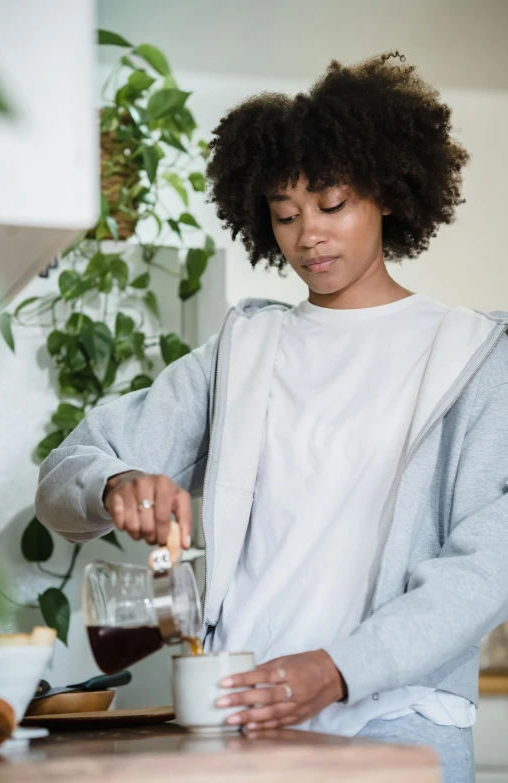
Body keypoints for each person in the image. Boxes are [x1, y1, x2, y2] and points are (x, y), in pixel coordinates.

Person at [35, 51, 508, 783]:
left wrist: (340, 668)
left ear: (387, 191)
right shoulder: (244, 350)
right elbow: (67, 470)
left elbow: (487, 566)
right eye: (285, 215)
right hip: (240, 719)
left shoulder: (475, 356)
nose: (307, 236)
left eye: (333, 205)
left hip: (395, 719)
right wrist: (115, 481)